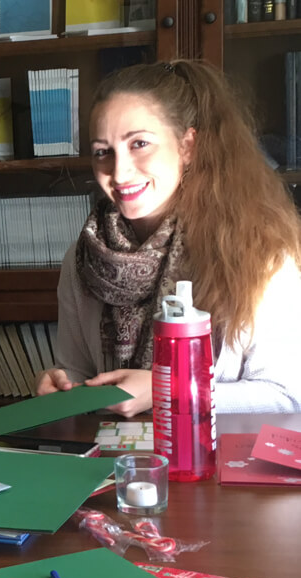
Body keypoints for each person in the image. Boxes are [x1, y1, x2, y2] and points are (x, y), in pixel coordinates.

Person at [36, 59, 301, 416]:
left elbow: (287, 395)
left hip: (217, 466)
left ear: (187, 146)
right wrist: (63, 388)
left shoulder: (260, 250)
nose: (119, 171)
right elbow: (78, 373)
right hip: (116, 464)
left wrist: (169, 389)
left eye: (140, 143)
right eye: (103, 152)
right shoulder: (82, 259)